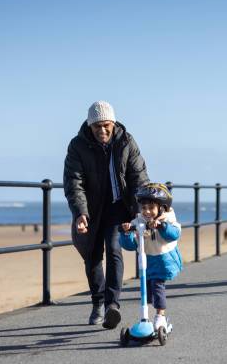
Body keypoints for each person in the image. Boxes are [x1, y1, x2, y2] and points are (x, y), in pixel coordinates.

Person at [63, 101, 149, 328]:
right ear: (90, 127)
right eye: (97, 127)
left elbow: (138, 178)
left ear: (113, 123)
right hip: (90, 209)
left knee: (113, 250)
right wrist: (80, 213)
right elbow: (74, 182)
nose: (102, 131)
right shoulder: (77, 146)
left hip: (117, 207)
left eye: (106, 125)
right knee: (91, 255)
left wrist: (142, 211)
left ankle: (112, 305)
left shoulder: (126, 141)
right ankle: (98, 302)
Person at [120, 183, 183, 330]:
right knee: (146, 290)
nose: (147, 212)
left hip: (164, 260)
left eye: (151, 208)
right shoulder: (139, 222)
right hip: (146, 261)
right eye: (143, 208)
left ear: (161, 207)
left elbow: (174, 235)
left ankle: (160, 317)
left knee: (157, 286)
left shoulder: (168, 219)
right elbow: (129, 245)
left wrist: (161, 226)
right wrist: (126, 232)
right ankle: (145, 318)